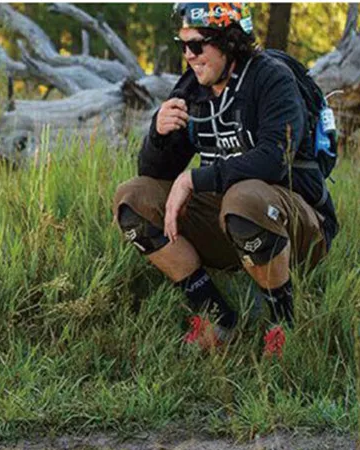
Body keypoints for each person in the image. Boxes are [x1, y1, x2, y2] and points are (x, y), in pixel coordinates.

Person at [112, 2, 338, 357]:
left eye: (197, 45)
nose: (189, 55)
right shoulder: (192, 88)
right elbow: (154, 176)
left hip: (298, 224)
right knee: (132, 200)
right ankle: (217, 318)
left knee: (244, 199)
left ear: (229, 42)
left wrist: (194, 180)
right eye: (182, 44)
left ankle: (283, 325)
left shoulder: (271, 79)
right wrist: (158, 134)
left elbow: (274, 160)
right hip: (230, 219)